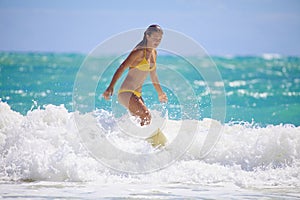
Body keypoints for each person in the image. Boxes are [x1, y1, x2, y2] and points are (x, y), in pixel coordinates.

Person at [103, 24, 168, 126]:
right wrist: (110, 87)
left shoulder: (154, 53)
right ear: (147, 36)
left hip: (137, 95)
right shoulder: (139, 51)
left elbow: (154, 76)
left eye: (159, 39)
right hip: (126, 93)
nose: (157, 41)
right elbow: (122, 67)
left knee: (141, 122)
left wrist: (160, 93)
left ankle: (136, 141)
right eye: (155, 38)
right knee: (146, 116)